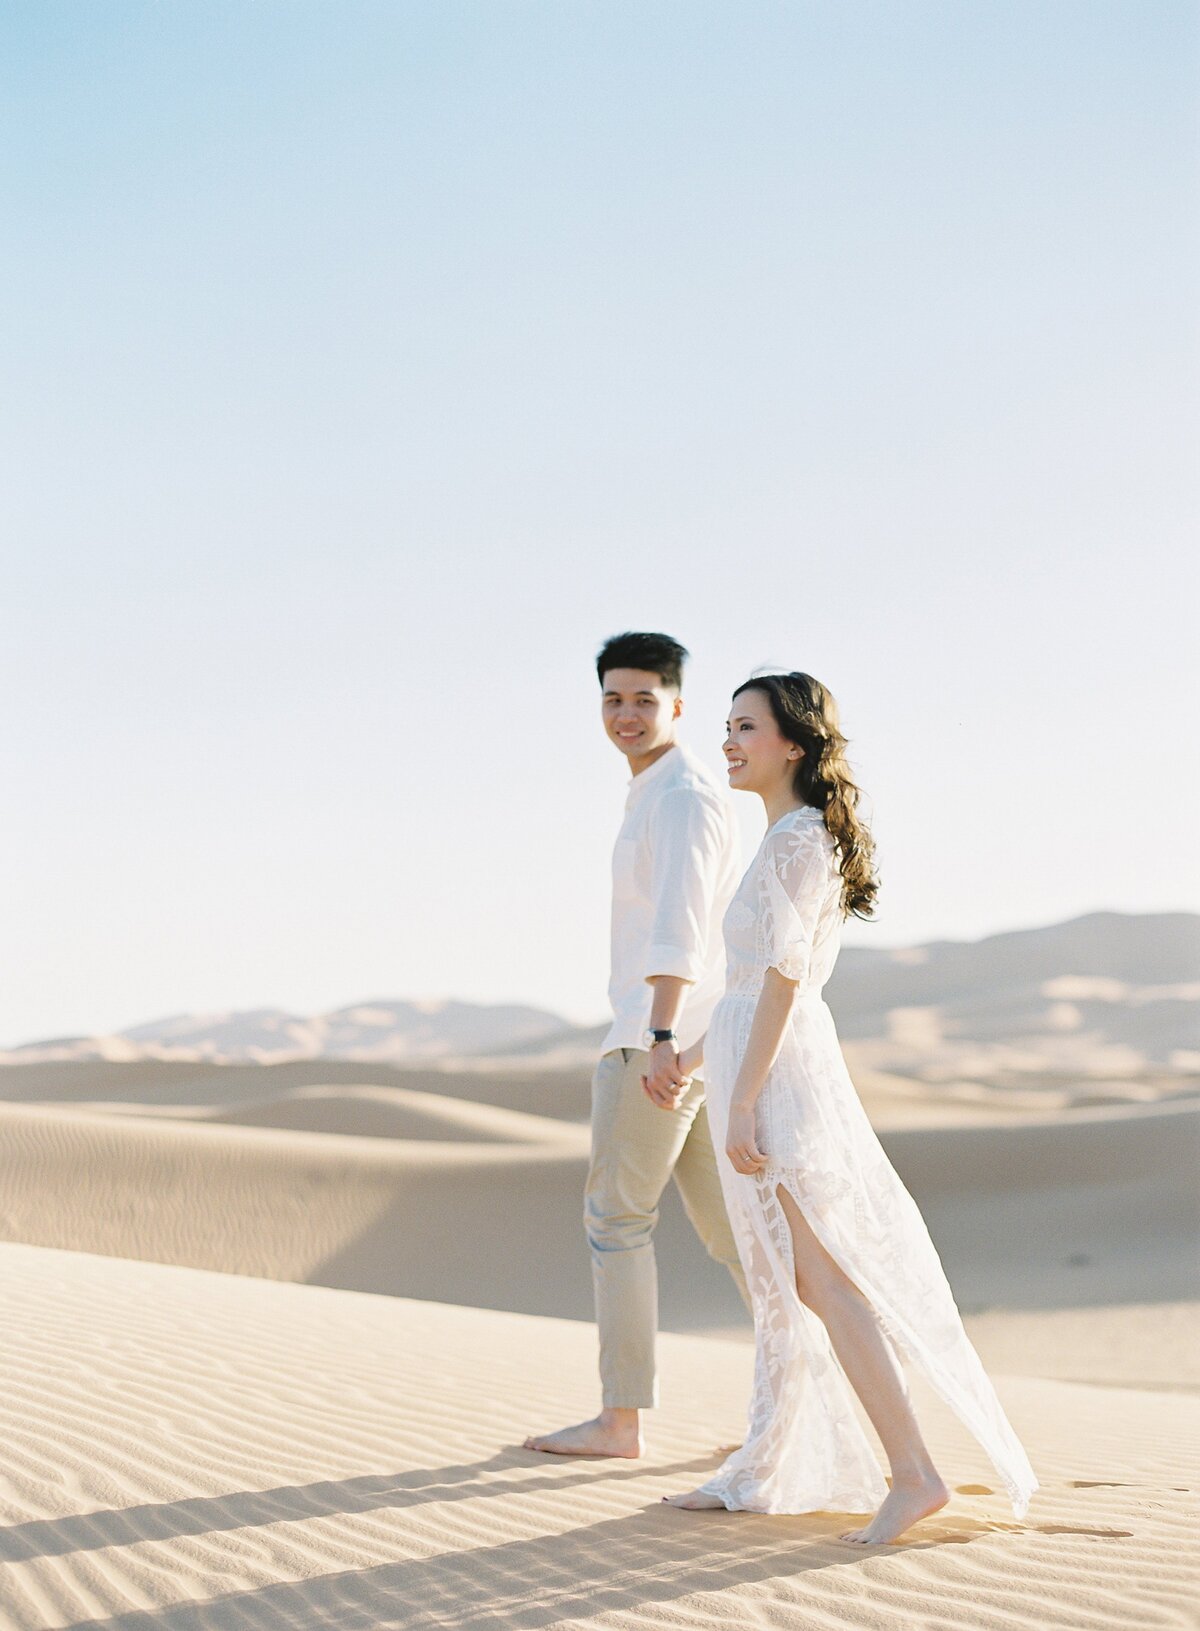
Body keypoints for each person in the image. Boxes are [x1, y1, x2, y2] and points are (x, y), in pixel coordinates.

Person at [665, 672, 1037, 1542]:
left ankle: (914, 1473)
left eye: (745, 725)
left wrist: (744, 1094)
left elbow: (787, 980)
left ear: (792, 742)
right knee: (800, 1278)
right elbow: (747, 985)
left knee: (824, 1276)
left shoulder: (799, 839)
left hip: (781, 1076)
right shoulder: (781, 838)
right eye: (725, 724)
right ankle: (780, 1458)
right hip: (751, 1063)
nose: (728, 739)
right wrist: (692, 1059)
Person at [524, 631, 749, 1459]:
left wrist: (657, 1033)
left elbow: (681, 923)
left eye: (644, 699)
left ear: (678, 705)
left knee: (615, 1219)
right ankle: (800, 1405)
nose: (626, 714)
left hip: (658, 1040)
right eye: (613, 699)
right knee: (734, 1235)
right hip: (692, 1039)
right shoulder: (662, 789)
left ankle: (621, 1420)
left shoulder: (682, 794)